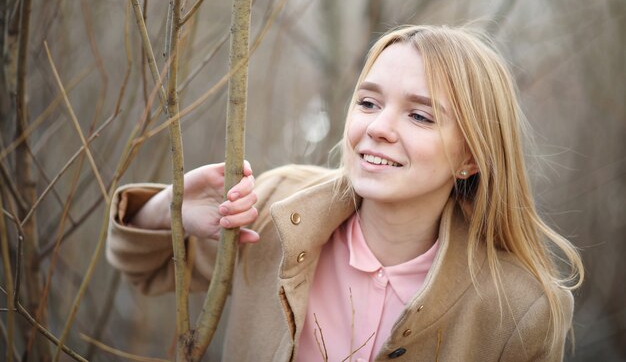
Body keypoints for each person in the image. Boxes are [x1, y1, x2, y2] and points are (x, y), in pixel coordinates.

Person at [106, 25, 584, 361]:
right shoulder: (279, 211)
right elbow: (143, 270)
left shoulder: (521, 311)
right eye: (369, 102)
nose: (378, 128)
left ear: (470, 158)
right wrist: (167, 208)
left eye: (419, 115)